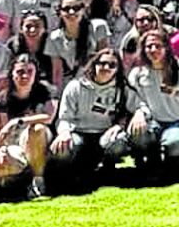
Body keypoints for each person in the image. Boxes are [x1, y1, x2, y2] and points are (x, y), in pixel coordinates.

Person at [49, 49, 140, 192]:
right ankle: (62, 178)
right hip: (79, 132)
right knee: (65, 146)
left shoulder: (122, 89)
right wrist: (64, 133)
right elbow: (65, 117)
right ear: (94, 64)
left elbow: (137, 108)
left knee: (119, 142)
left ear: (118, 69)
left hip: (105, 134)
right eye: (102, 63)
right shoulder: (76, 86)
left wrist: (121, 125)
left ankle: (107, 171)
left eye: (112, 65)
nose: (106, 68)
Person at [128, 29, 179, 180]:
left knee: (174, 142)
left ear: (167, 48)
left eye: (158, 46)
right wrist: (139, 113)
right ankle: (146, 165)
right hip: (153, 122)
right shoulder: (137, 74)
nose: (153, 50)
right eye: (149, 46)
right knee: (136, 132)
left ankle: (174, 166)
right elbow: (136, 102)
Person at [0, 54, 55, 199]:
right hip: (14, 141)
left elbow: (48, 117)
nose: (25, 76)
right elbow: (2, 131)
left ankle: (38, 180)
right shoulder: (2, 98)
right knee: (3, 164)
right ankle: (19, 181)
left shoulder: (45, 91)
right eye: (20, 72)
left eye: (30, 72)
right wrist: (2, 150)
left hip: (41, 139)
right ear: (12, 74)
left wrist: (18, 121)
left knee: (36, 129)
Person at [47, 0, 112, 88]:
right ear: (59, 12)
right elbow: (57, 72)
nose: (71, 12)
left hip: (97, 83)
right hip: (73, 85)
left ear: (84, 10)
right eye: (66, 9)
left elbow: (105, 59)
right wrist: (57, 96)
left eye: (76, 8)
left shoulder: (98, 27)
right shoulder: (54, 38)